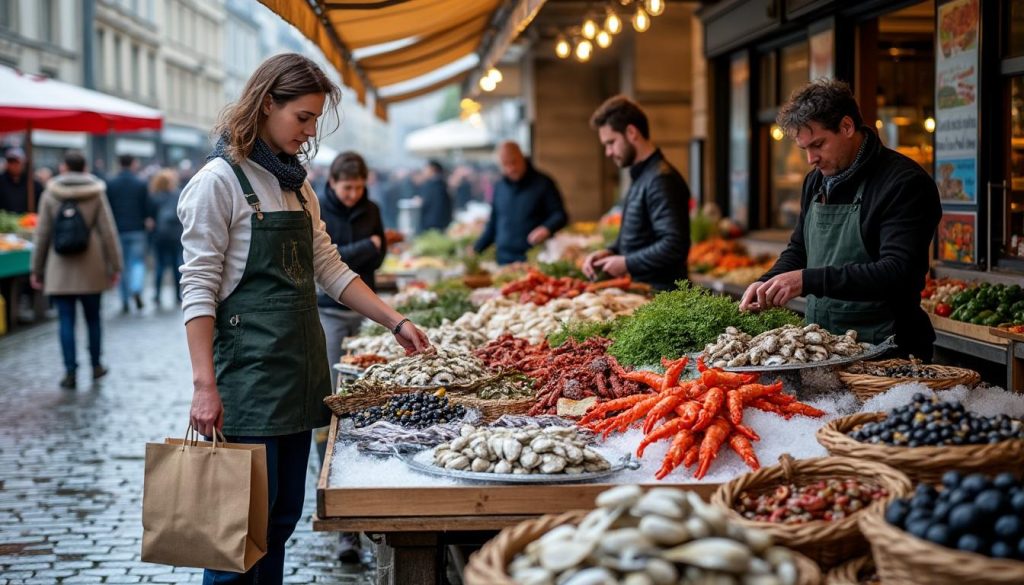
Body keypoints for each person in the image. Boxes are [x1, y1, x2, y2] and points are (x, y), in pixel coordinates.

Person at [178, 53, 431, 585]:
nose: (311, 130)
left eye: (316, 118)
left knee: (280, 522)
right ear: (268, 103)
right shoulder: (217, 183)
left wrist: (396, 322)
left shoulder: (296, 185)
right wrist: (204, 385)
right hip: (246, 380)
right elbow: (198, 288)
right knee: (235, 534)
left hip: (297, 373)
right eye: (304, 116)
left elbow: (331, 269)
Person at [738, 79, 942, 360]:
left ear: (847, 127)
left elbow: (897, 271)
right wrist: (768, 282)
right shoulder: (815, 182)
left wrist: (805, 280)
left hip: (888, 349)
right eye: (804, 149)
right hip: (822, 347)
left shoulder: (904, 183)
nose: (811, 159)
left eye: (818, 144)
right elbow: (799, 249)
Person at [315, 151, 387, 564]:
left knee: (370, 398)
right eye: (347, 188)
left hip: (367, 310)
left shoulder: (372, 208)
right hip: (327, 311)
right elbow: (330, 261)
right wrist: (365, 247)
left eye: (358, 187)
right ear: (334, 183)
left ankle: (368, 489)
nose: (353, 194)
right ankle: (334, 495)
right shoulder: (318, 207)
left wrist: (361, 251)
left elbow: (377, 258)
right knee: (331, 401)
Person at [29, 150, 122, 389]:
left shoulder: (51, 193)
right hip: (92, 267)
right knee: (93, 319)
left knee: (66, 321)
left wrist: (36, 269)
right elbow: (108, 232)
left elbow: (42, 235)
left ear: (63, 168)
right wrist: (116, 265)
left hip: (59, 267)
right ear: (85, 167)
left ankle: (70, 372)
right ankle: (96, 365)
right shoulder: (96, 193)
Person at [582, 95, 692, 290]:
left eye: (611, 142)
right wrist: (609, 252)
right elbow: (639, 236)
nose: (608, 152)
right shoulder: (642, 175)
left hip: (662, 296)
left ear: (632, 132)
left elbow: (674, 245)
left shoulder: (660, 179)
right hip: (644, 291)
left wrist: (626, 262)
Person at [473, 141, 568, 264]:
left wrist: (546, 228)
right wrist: (476, 249)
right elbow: (493, 224)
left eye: (514, 162)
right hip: (503, 258)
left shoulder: (543, 183)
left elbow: (560, 215)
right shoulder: (499, 187)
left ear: (522, 156)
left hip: (534, 257)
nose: (511, 168)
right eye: (505, 164)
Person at [106, 154, 153, 313]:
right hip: (137, 229)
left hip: (118, 230)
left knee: (122, 266)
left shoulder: (111, 184)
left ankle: (124, 300)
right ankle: (136, 287)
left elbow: (108, 209)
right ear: (133, 164)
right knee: (138, 262)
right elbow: (147, 207)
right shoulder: (140, 183)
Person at [149, 169, 184, 307]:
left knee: (160, 265)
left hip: (160, 235)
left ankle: (157, 295)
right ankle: (177, 296)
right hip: (176, 235)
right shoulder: (178, 194)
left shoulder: (154, 196)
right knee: (177, 264)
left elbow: (150, 217)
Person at [0, 147, 44, 213]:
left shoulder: (33, 184)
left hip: (28, 221)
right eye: (10, 162)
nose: (14, 165)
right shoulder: (1, 181)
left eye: (16, 162)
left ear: (23, 163)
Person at [417, 159, 452, 233]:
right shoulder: (440, 183)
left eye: (426, 168)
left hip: (433, 225)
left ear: (432, 169)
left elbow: (435, 206)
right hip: (437, 223)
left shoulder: (435, 185)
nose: (424, 171)